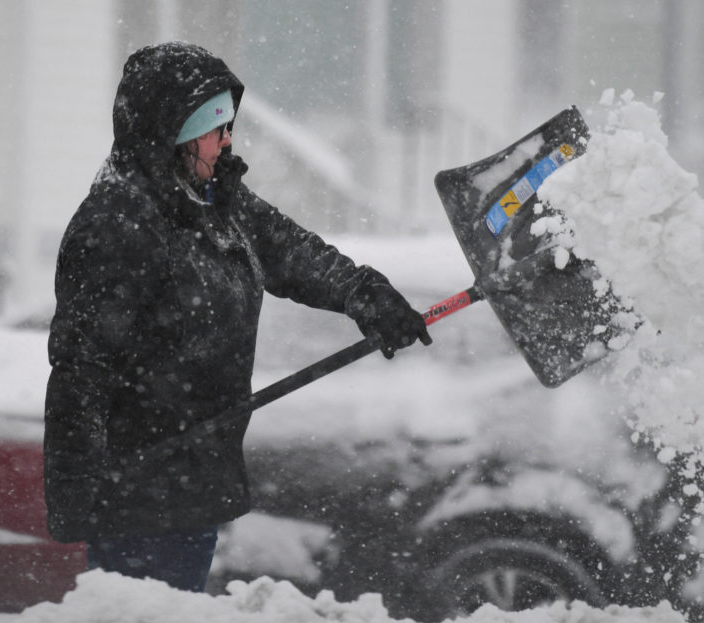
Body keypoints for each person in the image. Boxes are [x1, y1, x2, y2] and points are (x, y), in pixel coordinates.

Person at [43, 42, 431, 593]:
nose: (228, 140)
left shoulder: (216, 200)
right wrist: (83, 489)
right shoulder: (118, 223)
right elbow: (81, 367)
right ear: (172, 134)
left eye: (229, 124)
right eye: (214, 127)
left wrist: (366, 296)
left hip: (193, 475)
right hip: (137, 488)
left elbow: (293, 253)